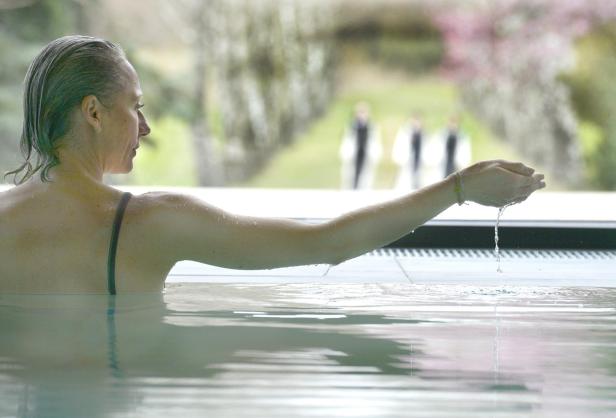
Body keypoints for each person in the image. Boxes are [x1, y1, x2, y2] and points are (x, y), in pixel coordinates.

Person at [0, 36, 545, 294]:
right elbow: (324, 243)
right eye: (135, 107)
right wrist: (458, 187)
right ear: (93, 111)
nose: (145, 128)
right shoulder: (149, 224)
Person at [339, 102, 382, 189]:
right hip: (354, 155)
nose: (362, 115)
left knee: (366, 179)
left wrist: (375, 154)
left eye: (364, 112)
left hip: (366, 155)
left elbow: (375, 141)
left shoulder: (372, 127)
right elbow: (347, 141)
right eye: (360, 112)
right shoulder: (351, 126)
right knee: (351, 178)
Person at [392, 113, 424, 190]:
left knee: (417, 178)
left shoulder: (422, 133)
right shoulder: (406, 131)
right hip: (408, 160)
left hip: (418, 159)